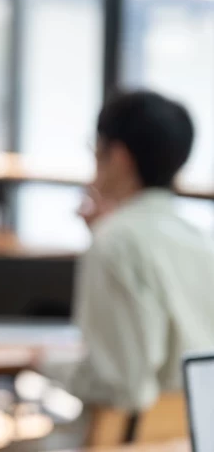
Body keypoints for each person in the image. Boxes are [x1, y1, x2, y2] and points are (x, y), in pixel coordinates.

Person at [62, 91, 214, 410]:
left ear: (118, 156)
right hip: (190, 433)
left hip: (129, 437)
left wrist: (47, 364)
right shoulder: (202, 237)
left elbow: (121, 386)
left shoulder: (115, 240)